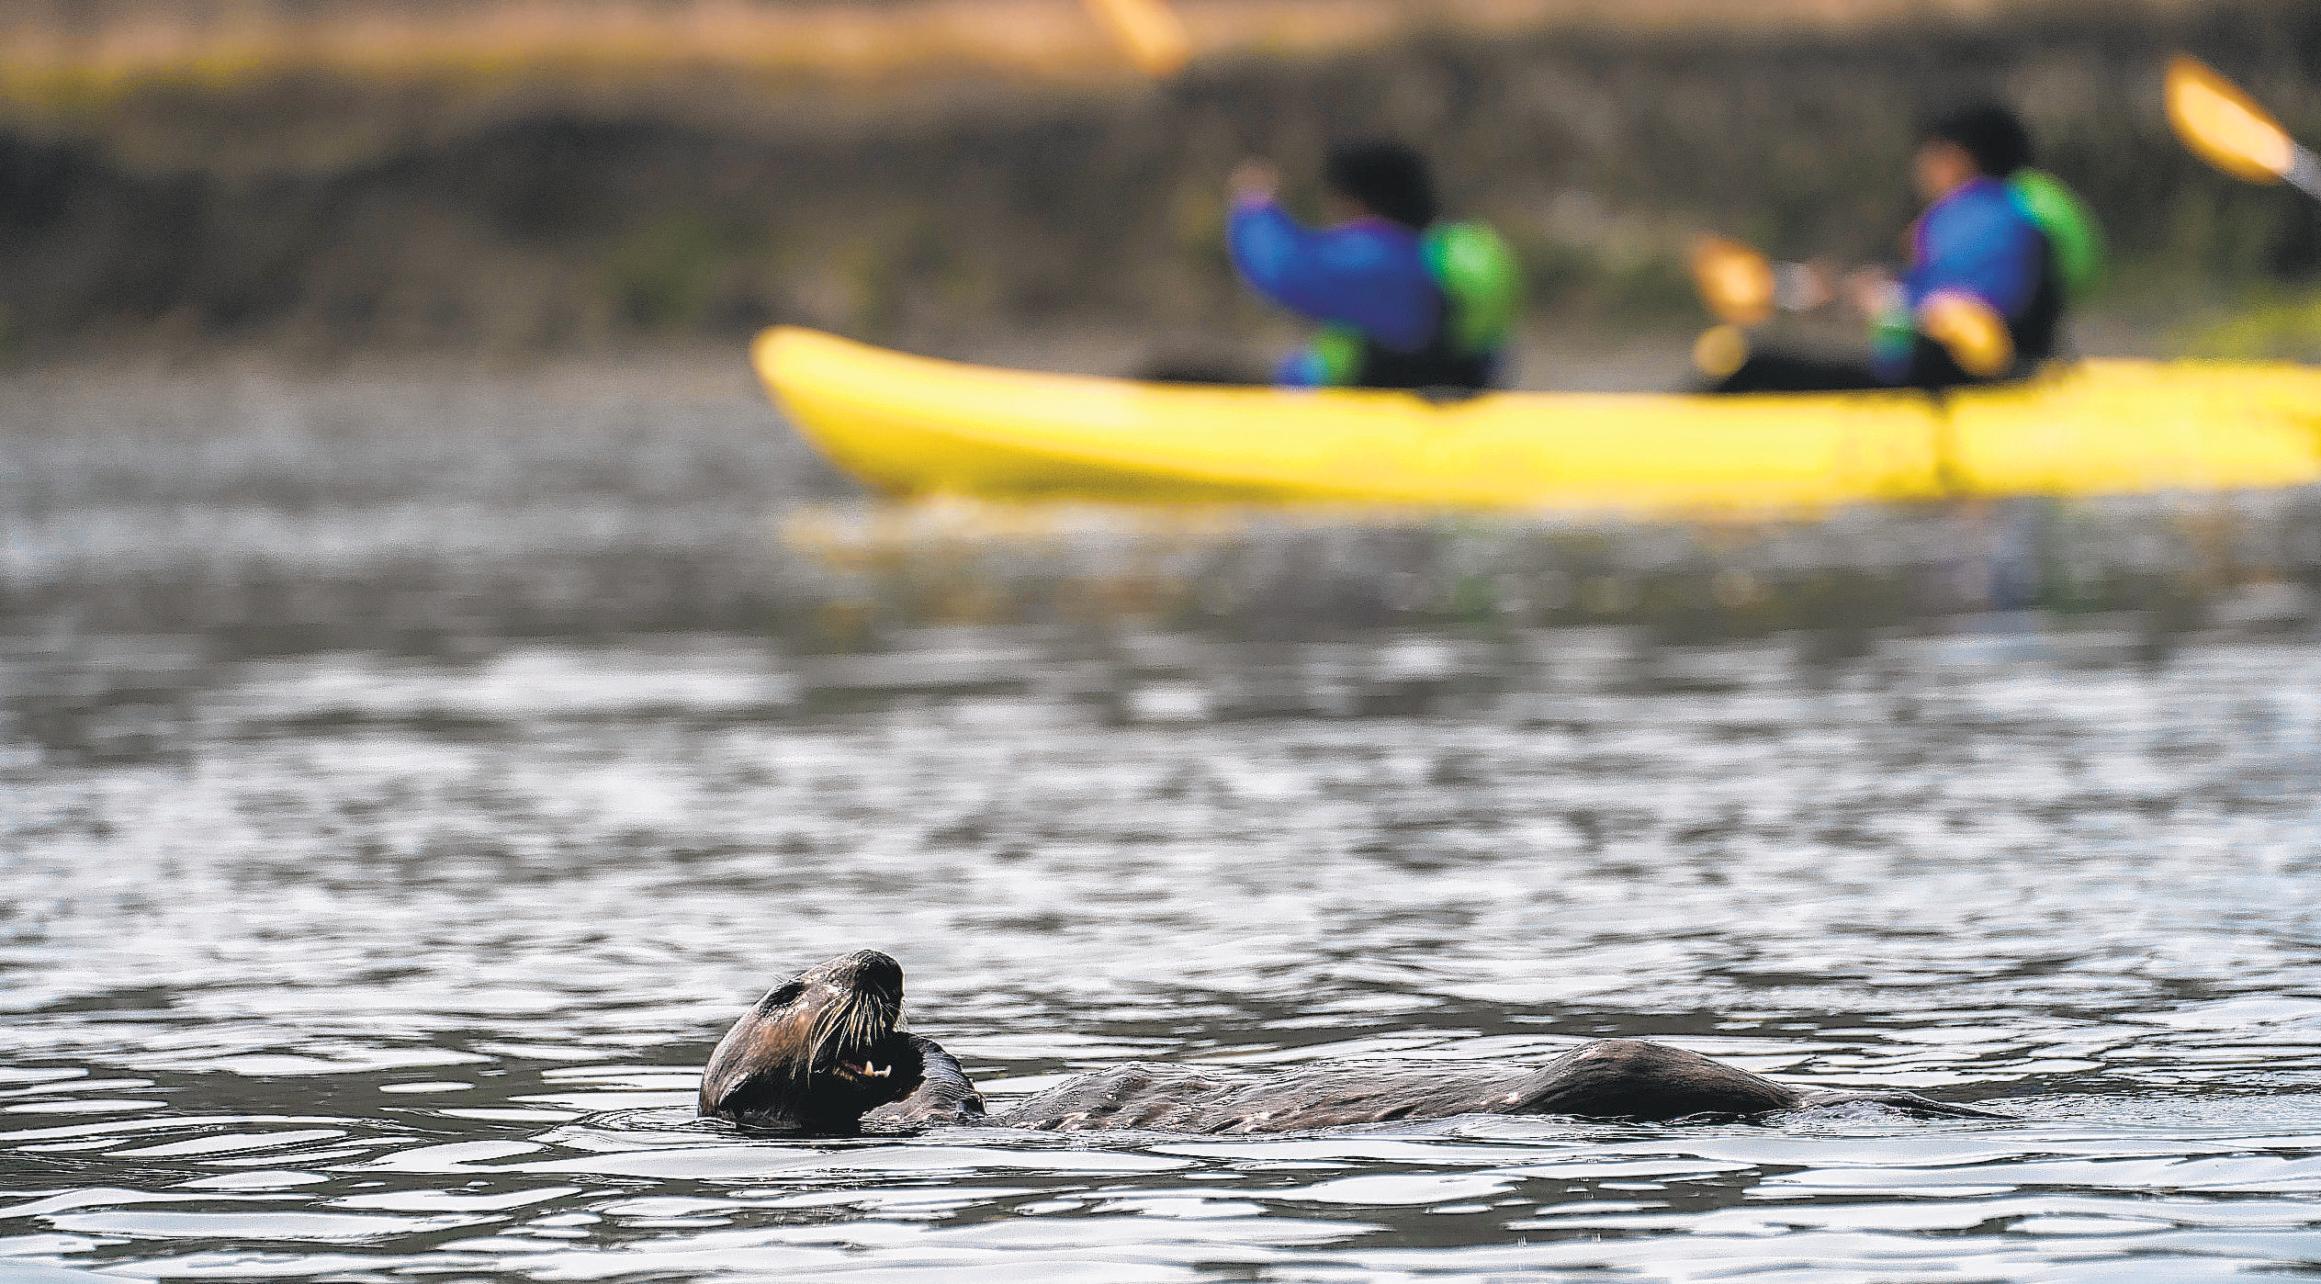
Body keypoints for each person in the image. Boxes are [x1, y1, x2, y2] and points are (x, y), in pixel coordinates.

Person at [1712, 103, 2103, 395]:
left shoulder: (1975, 216)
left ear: (1955, 160)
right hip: (1982, 373)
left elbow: (1958, 316)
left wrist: (1875, 301)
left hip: (1960, 384)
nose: (1920, 168)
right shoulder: (2013, 209)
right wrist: (1846, 294)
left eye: (1928, 156)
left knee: (1755, 367)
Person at [1227, 140, 1520, 393]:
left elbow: (1285, 270)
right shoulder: (1442, 258)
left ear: (1358, 205)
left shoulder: (1386, 268)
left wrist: (1255, 205)